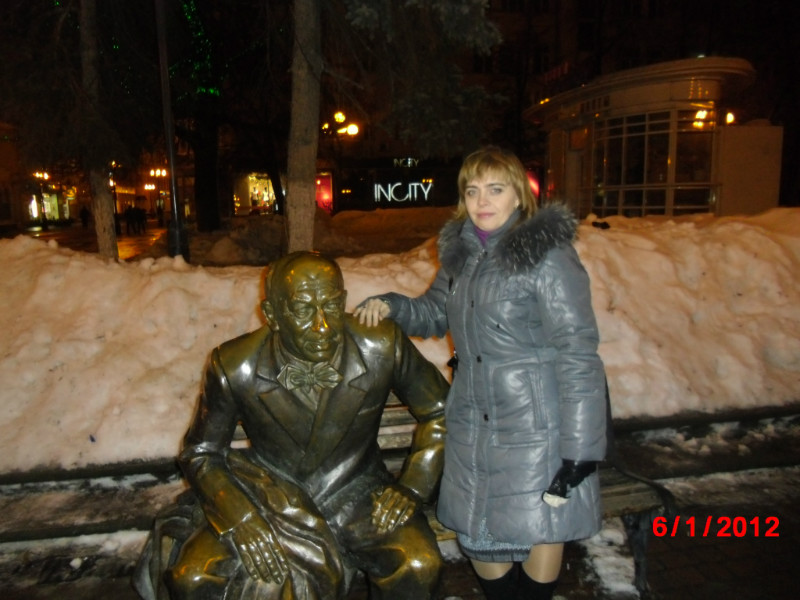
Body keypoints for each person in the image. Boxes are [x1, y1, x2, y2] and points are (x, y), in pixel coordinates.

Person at [354, 146, 607, 600]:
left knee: (539, 529)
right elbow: (436, 312)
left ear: (519, 195)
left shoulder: (546, 254)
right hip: (474, 419)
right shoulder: (464, 254)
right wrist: (391, 305)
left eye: (495, 189)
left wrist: (580, 450)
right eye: (472, 191)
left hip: (536, 426)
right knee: (478, 536)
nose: (482, 201)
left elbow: (578, 352)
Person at [134, 251, 449, 600]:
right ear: (271, 315)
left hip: (357, 492)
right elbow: (201, 452)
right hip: (271, 495)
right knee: (193, 577)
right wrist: (241, 518)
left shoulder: (381, 343)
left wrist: (412, 487)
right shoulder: (235, 364)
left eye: (332, 305)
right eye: (302, 310)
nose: (322, 326)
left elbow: (440, 411)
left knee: (418, 563)